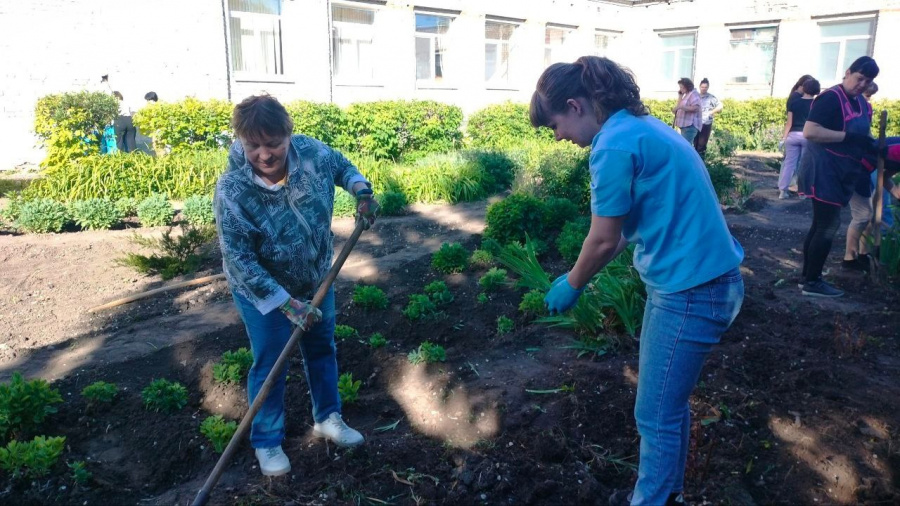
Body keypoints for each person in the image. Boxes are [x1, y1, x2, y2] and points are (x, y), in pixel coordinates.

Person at [530, 56, 744, 506]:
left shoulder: (613, 145)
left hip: (690, 291)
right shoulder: (642, 127)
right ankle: (671, 494)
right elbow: (627, 225)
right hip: (708, 281)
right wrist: (578, 272)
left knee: (655, 414)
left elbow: (605, 239)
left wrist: (573, 283)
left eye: (556, 125)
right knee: (668, 408)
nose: (560, 138)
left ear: (575, 105)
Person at [213, 94, 379, 477]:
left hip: (316, 276)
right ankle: (267, 441)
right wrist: (287, 305)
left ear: (288, 135)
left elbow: (342, 167)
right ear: (240, 141)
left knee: (321, 346)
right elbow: (240, 260)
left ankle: (328, 417)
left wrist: (361, 191)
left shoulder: (310, 153)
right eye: (253, 145)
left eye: (273, 143)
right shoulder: (234, 191)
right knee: (271, 359)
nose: (264, 154)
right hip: (262, 291)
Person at [797, 56, 880, 297]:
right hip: (823, 169)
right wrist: (849, 138)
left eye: (868, 81)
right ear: (848, 72)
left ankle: (807, 278)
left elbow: (861, 134)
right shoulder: (831, 98)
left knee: (820, 224)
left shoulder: (862, 104)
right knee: (828, 224)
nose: (862, 84)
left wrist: (871, 145)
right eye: (859, 78)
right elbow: (810, 131)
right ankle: (813, 282)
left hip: (842, 172)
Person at [779, 79, 820, 199]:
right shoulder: (816, 104)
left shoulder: (794, 102)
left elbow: (789, 123)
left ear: (805, 88)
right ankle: (803, 192)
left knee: (789, 164)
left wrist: (783, 138)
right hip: (807, 136)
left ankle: (783, 191)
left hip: (792, 136)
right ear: (816, 90)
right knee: (805, 165)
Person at [694, 78, 723, 158]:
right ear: (700, 87)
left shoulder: (711, 97)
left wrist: (711, 112)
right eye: (702, 87)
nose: (704, 89)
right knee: (695, 143)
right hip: (695, 123)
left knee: (702, 144)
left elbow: (720, 106)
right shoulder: (696, 96)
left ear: (708, 87)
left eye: (705, 87)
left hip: (706, 123)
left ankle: (702, 162)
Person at [672, 77, 702, 144]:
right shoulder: (686, 95)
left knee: (685, 146)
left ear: (687, 86)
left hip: (690, 126)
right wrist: (680, 96)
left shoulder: (693, 94)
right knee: (683, 146)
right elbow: (679, 106)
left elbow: (696, 107)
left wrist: (681, 107)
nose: (680, 89)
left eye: (682, 87)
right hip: (685, 126)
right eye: (680, 87)